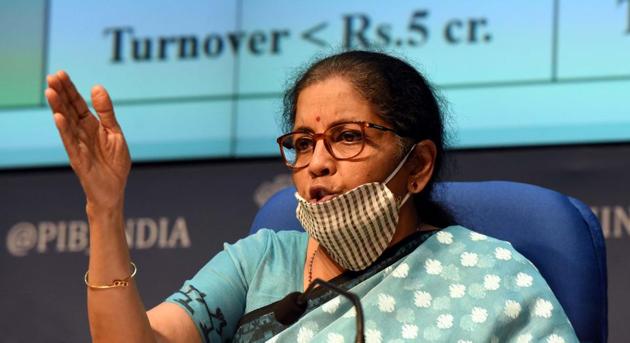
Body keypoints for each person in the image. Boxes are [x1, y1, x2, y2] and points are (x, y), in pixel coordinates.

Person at [45, 51, 578, 342]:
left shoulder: (489, 274)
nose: (317, 162)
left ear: (416, 166)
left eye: (348, 137)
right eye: (303, 143)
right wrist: (104, 207)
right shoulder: (260, 263)